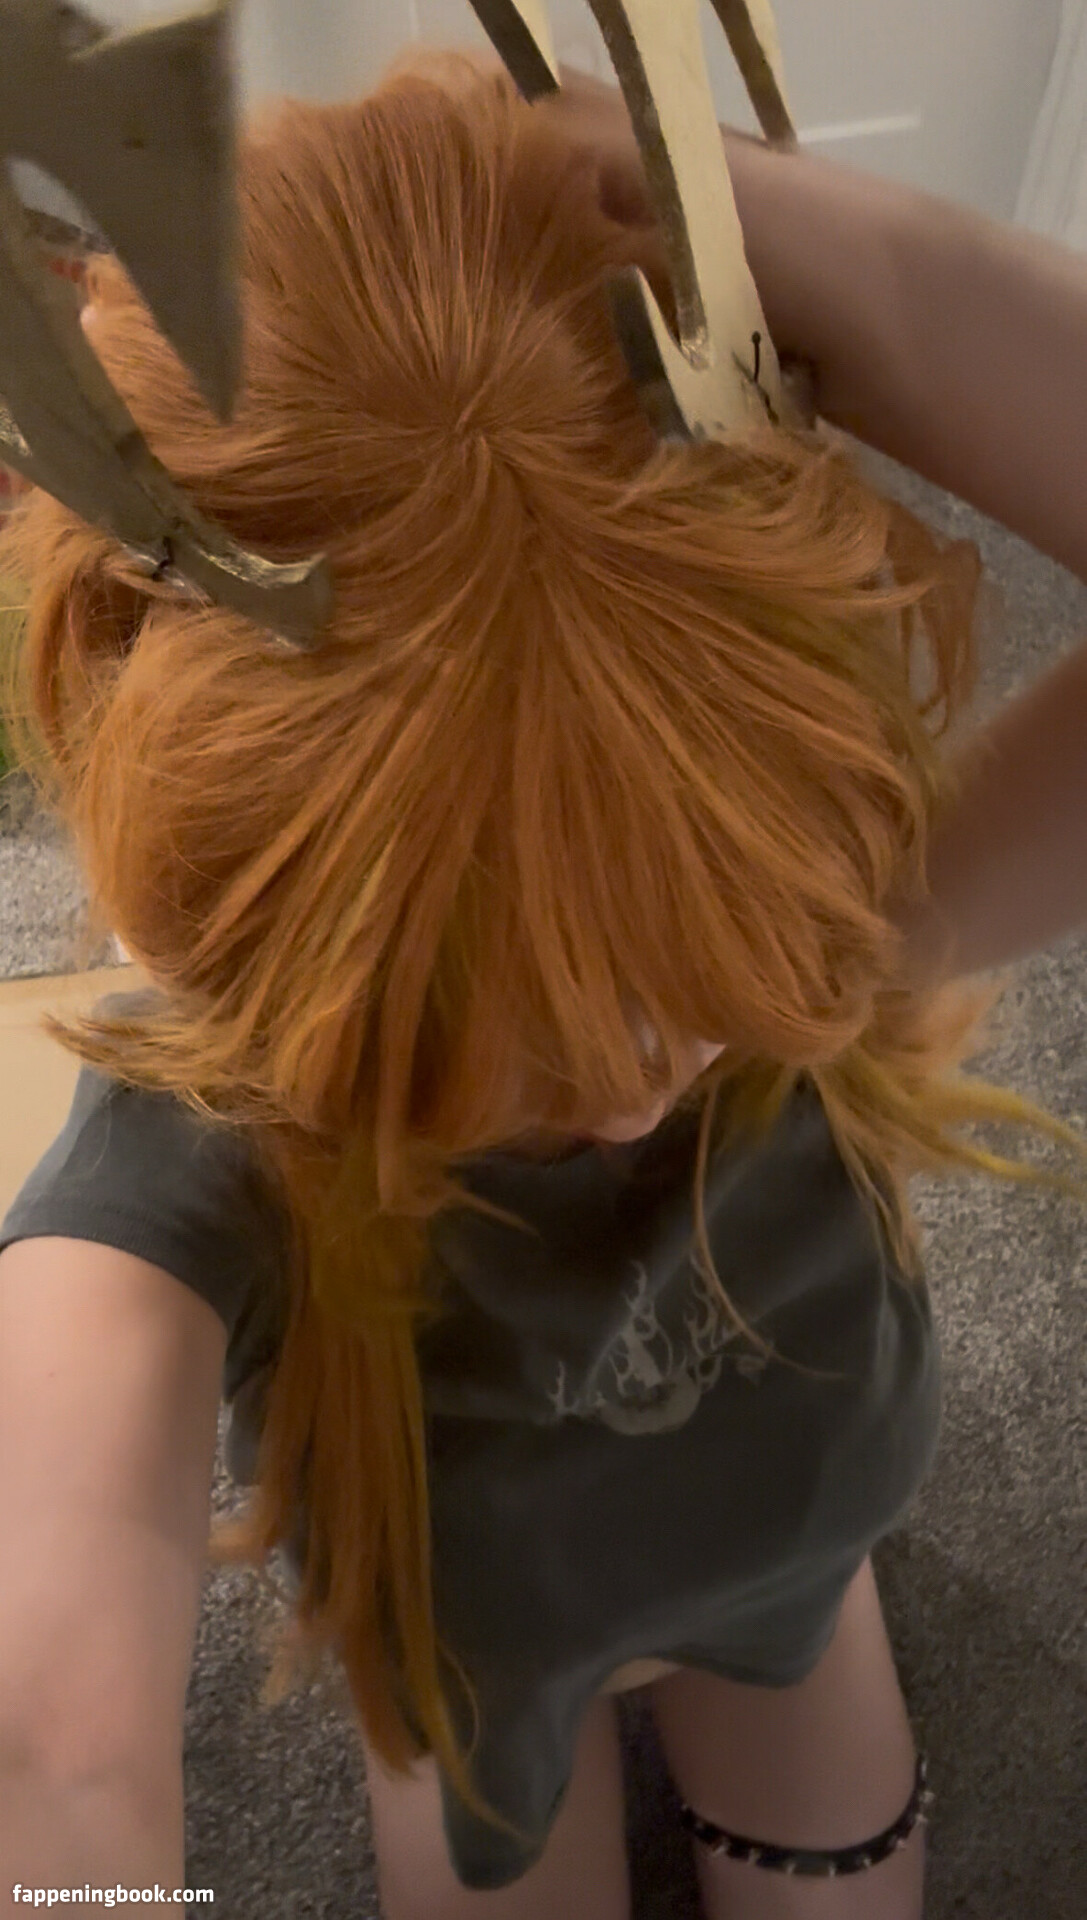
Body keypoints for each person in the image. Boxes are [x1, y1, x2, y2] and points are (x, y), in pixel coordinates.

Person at [1, 56, 1086, 1920]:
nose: (631, 1088)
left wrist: (722, 202)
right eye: (469, 1008)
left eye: (691, 964)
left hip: (794, 1540)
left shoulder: (800, 918)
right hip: (464, 1651)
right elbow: (51, 1742)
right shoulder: (212, 1124)